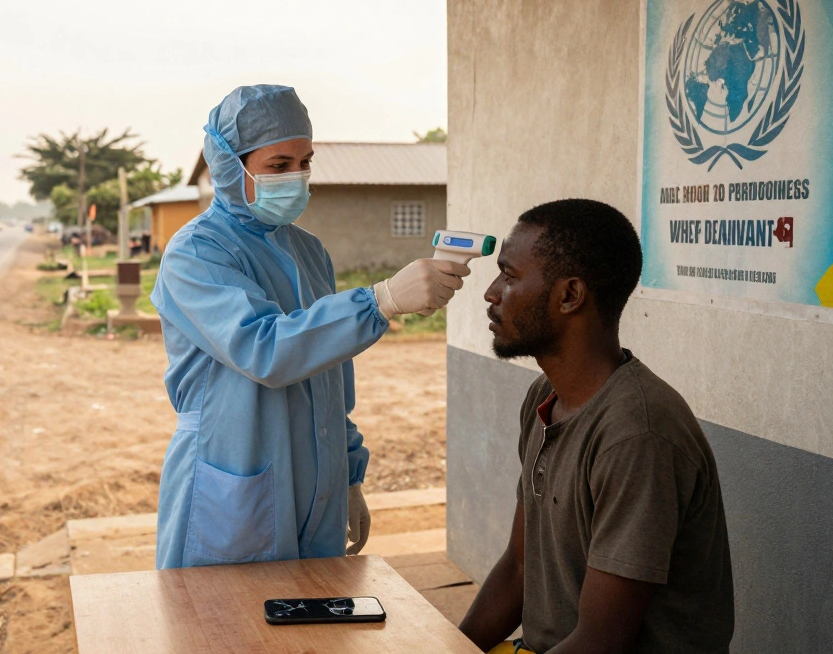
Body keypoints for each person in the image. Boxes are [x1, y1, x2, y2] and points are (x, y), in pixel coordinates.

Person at [151, 85, 470, 570]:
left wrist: (348, 477)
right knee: (223, 631)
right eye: (279, 166)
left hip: (318, 481)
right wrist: (381, 300)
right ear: (229, 167)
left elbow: (331, 379)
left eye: (305, 162)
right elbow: (265, 350)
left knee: (309, 631)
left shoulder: (310, 250)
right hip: (234, 474)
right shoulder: (197, 252)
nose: (296, 177)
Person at [459, 199, 733, 654]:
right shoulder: (544, 397)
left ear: (569, 296)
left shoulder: (637, 434)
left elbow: (602, 640)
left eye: (509, 276)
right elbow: (518, 569)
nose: (491, 292)